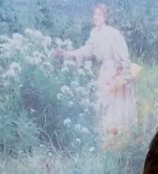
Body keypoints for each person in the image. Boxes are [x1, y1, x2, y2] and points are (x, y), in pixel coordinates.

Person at [58, 3, 138, 143]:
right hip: (104, 73)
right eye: (94, 14)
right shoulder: (95, 34)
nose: (96, 17)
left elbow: (124, 58)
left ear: (105, 17)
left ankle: (119, 141)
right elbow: (86, 50)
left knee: (116, 106)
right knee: (103, 105)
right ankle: (106, 140)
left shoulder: (113, 34)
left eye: (99, 14)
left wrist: (117, 74)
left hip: (116, 74)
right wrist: (67, 54)